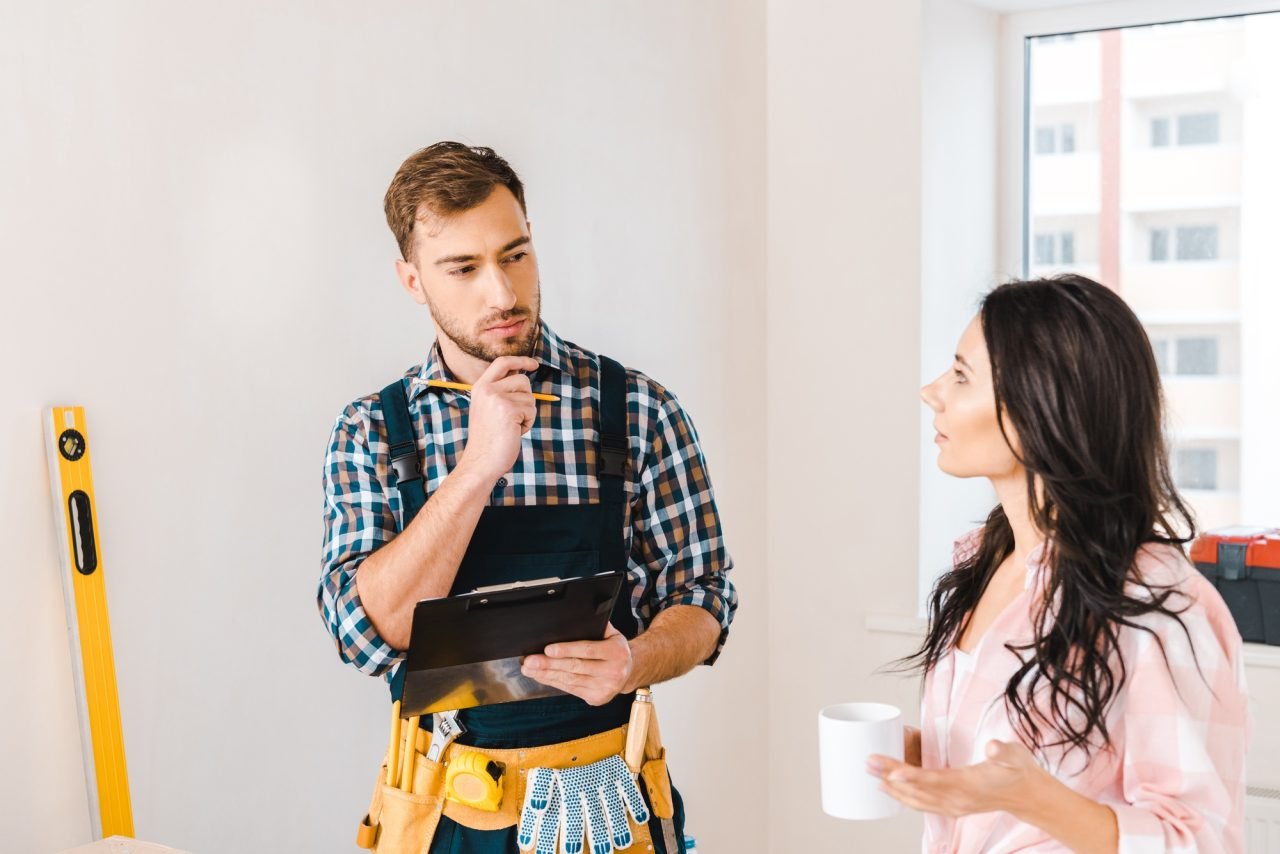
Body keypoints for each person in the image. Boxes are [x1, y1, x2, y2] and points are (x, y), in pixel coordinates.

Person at [317, 142, 736, 853]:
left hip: (611, 806)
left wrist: (633, 661)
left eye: (515, 255)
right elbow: (366, 634)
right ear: (412, 280)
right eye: (464, 269)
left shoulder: (637, 410)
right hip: (444, 812)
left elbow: (704, 599)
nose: (502, 294)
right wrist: (477, 469)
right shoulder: (372, 432)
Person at [868, 275, 1250, 852]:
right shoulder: (987, 562)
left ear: (1041, 407)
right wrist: (940, 757)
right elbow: (1043, 759)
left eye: (962, 376)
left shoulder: (1155, 600)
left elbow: (1201, 841)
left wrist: (1030, 798)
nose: (931, 392)